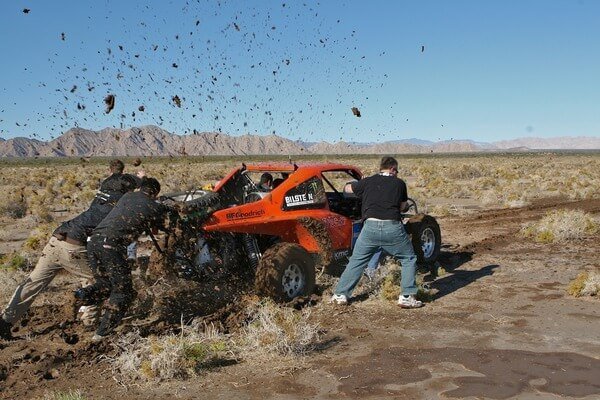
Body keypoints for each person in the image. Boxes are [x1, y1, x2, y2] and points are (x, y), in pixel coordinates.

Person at [0, 160, 143, 340]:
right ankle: (90, 323)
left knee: (33, 283)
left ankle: (5, 322)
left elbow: (115, 178)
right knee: (97, 280)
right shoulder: (116, 211)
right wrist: (141, 180)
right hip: (73, 247)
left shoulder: (101, 195)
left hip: (56, 239)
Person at [77, 177, 168, 340]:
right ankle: (102, 334)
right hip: (110, 247)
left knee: (104, 284)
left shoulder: (127, 196)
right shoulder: (153, 205)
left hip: (93, 242)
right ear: (155, 193)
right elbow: (165, 223)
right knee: (123, 291)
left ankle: (82, 294)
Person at [330, 156, 422, 308]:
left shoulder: (368, 181)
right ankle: (406, 296)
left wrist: (360, 183)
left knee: (357, 260)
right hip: (392, 226)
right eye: (396, 171)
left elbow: (346, 190)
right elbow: (402, 207)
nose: (397, 173)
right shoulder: (399, 183)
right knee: (408, 258)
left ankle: (340, 295)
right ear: (393, 169)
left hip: (369, 228)